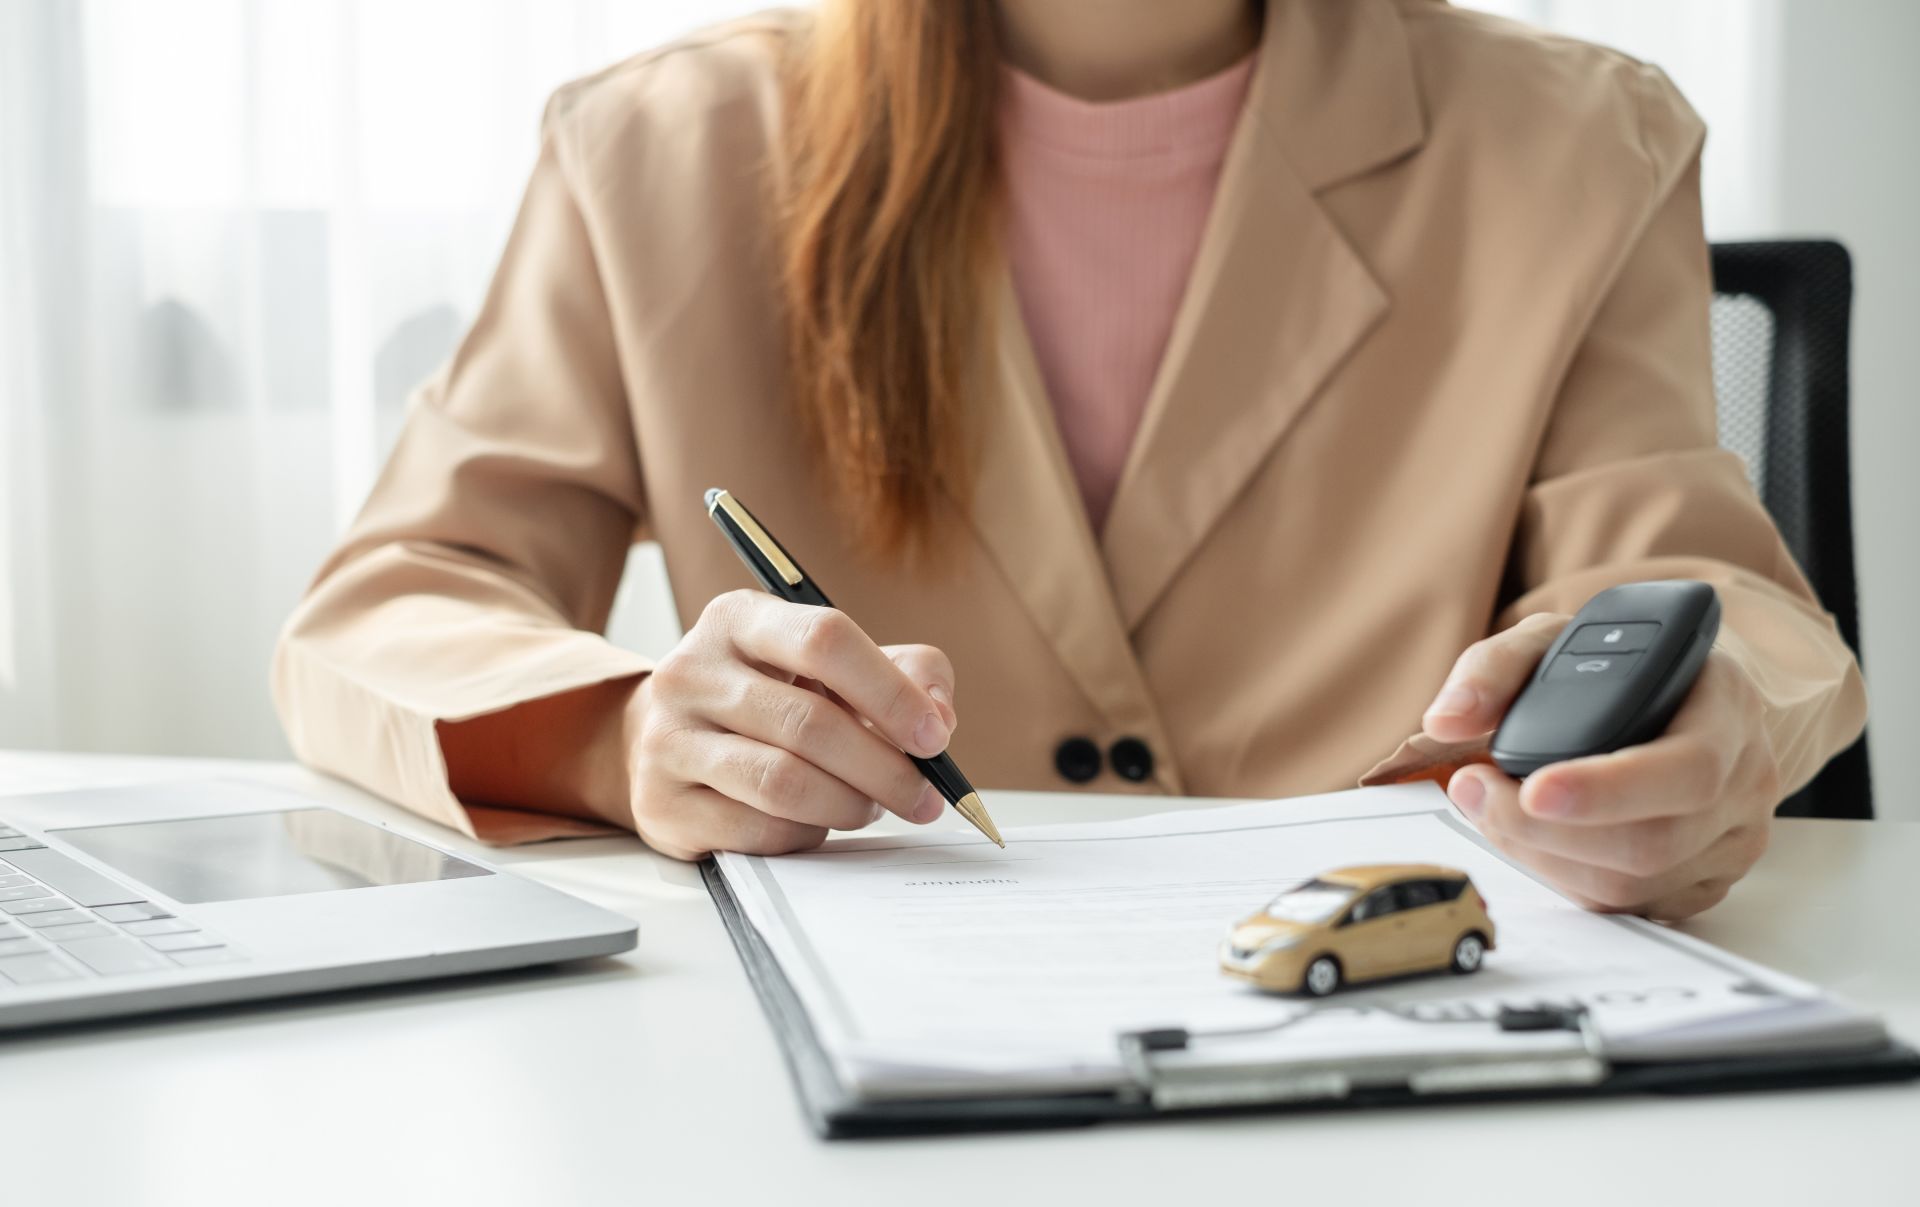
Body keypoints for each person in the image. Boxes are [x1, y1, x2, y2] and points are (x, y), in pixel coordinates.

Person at [273, 0, 1865, 920]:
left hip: (1391, 1018)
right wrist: (621, 735)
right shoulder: (654, 149)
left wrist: (1707, 729)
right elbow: (387, 608)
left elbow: (1700, 587)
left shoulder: (1580, 139)